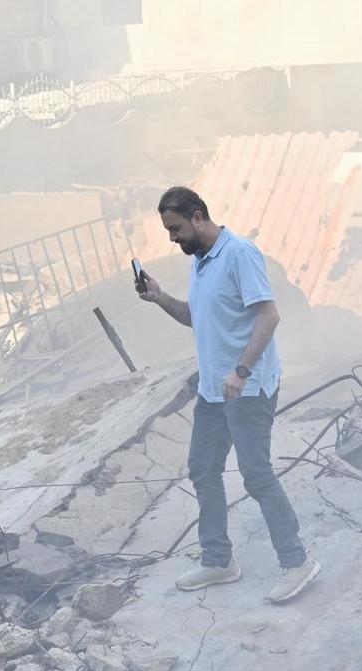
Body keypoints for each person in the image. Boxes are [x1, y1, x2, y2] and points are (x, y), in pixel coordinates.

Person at [136, 186, 319, 604]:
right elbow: (195, 318)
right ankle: (219, 561)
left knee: (256, 475)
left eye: (176, 228)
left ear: (198, 217)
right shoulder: (201, 262)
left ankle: (297, 562)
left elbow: (269, 315)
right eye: (169, 230)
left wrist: (241, 372)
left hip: (247, 389)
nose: (172, 238)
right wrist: (159, 297)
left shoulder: (239, 254)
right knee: (203, 470)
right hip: (213, 393)